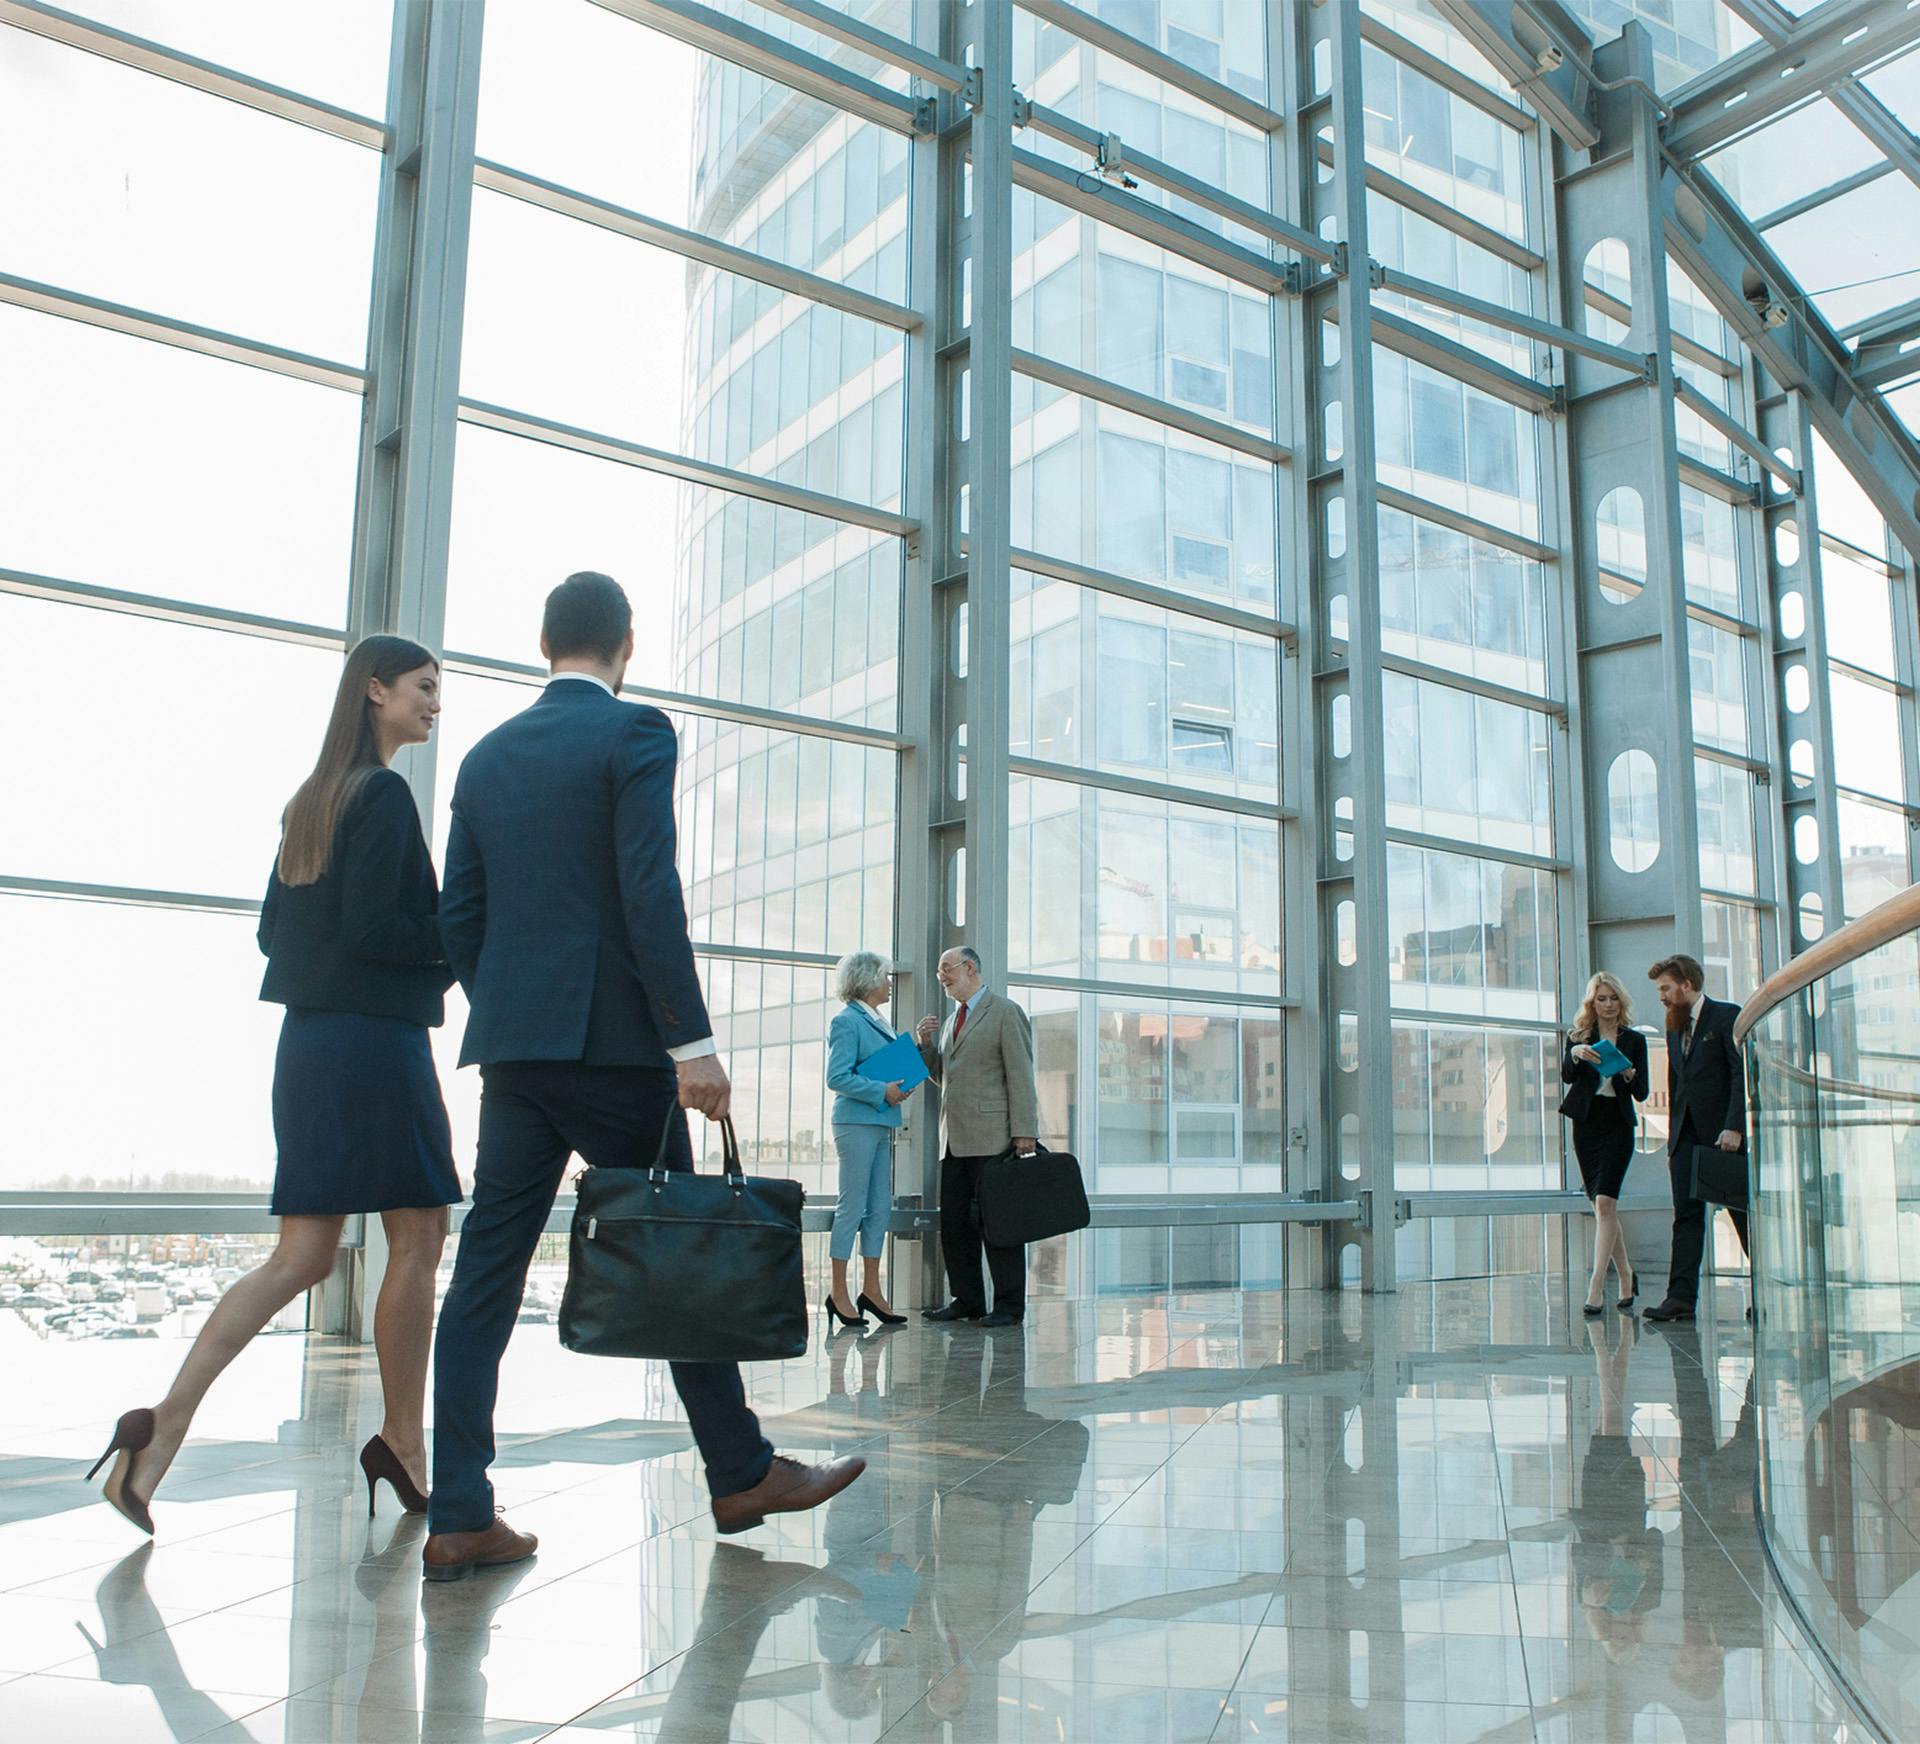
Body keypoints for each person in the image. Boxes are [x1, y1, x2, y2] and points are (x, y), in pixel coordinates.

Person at [422, 571, 862, 1580]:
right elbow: (647, 886)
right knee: (676, 1249)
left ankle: (458, 1508)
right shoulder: (635, 735)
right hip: (621, 1052)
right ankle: (741, 1468)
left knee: (485, 1274)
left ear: (543, 643)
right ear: (626, 643)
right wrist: (689, 1041)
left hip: (517, 1055)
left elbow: (460, 918)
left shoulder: (486, 758)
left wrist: (518, 1006)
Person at [88, 636, 458, 1534]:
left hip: (310, 1049)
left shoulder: (310, 804)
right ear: (374, 690)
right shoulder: (384, 796)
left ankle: (158, 1430)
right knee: (418, 1237)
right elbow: (380, 927)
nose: (435, 703)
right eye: (423, 687)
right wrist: (460, 939)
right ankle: (404, 1445)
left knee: (303, 1255)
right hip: (375, 1047)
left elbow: (270, 937)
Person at [913, 946, 1039, 1328]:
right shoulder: (953, 1021)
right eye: (939, 974)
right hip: (954, 1139)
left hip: (994, 1139)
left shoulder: (1004, 1011)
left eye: (945, 970)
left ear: (970, 968)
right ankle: (966, 1300)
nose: (942, 978)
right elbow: (944, 1079)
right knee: (955, 1225)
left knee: (999, 1224)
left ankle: (1009, 1307)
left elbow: (1021, 1074)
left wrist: (1025, 1132)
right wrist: (925, 1047)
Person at [1642, 952, 1749, 1325]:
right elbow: (1677, 1084)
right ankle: (1680, 1298)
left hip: (1723, 1137)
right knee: (1686, 1218)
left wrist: (1735, 1126)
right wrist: (1673, 1141)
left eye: (1666, 988)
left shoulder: (1726, 1016)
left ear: (1687, 985)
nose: (1662, 996)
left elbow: (1740, 1075)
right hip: (1685, 1138)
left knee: (1742, 1217)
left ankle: (1768, 1292)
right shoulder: (1673, 1026)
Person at [824, 950, 915, 1328]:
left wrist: (897, 1083)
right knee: (853, 1205)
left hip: (880, 1122)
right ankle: (838, 1291)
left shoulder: (877, 1020)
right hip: (856, 1123)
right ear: (868, 980)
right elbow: (837, 1077)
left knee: (879, 1206)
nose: (890, 983)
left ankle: (872, 1289)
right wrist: (883, 1090)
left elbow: (883, 1067)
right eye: (885, 977)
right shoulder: (847, 1021)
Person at [1561, 970, 1650, 1317]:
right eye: (1602, 999)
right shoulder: (1579, 1037)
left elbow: (1641, 1092)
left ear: (1621, 1001)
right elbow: (1567, 1076)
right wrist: (1576, 1055)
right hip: (1586, 1124)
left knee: (1605, 1202)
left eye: (1614, 998)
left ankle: (1597, 1285)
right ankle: (1627, 1276)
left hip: (1617, 1123)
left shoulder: (1634, 1040)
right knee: (1602, 1208)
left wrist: (1629, 1075)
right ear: (1592, 1003)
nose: (1609, 1005)